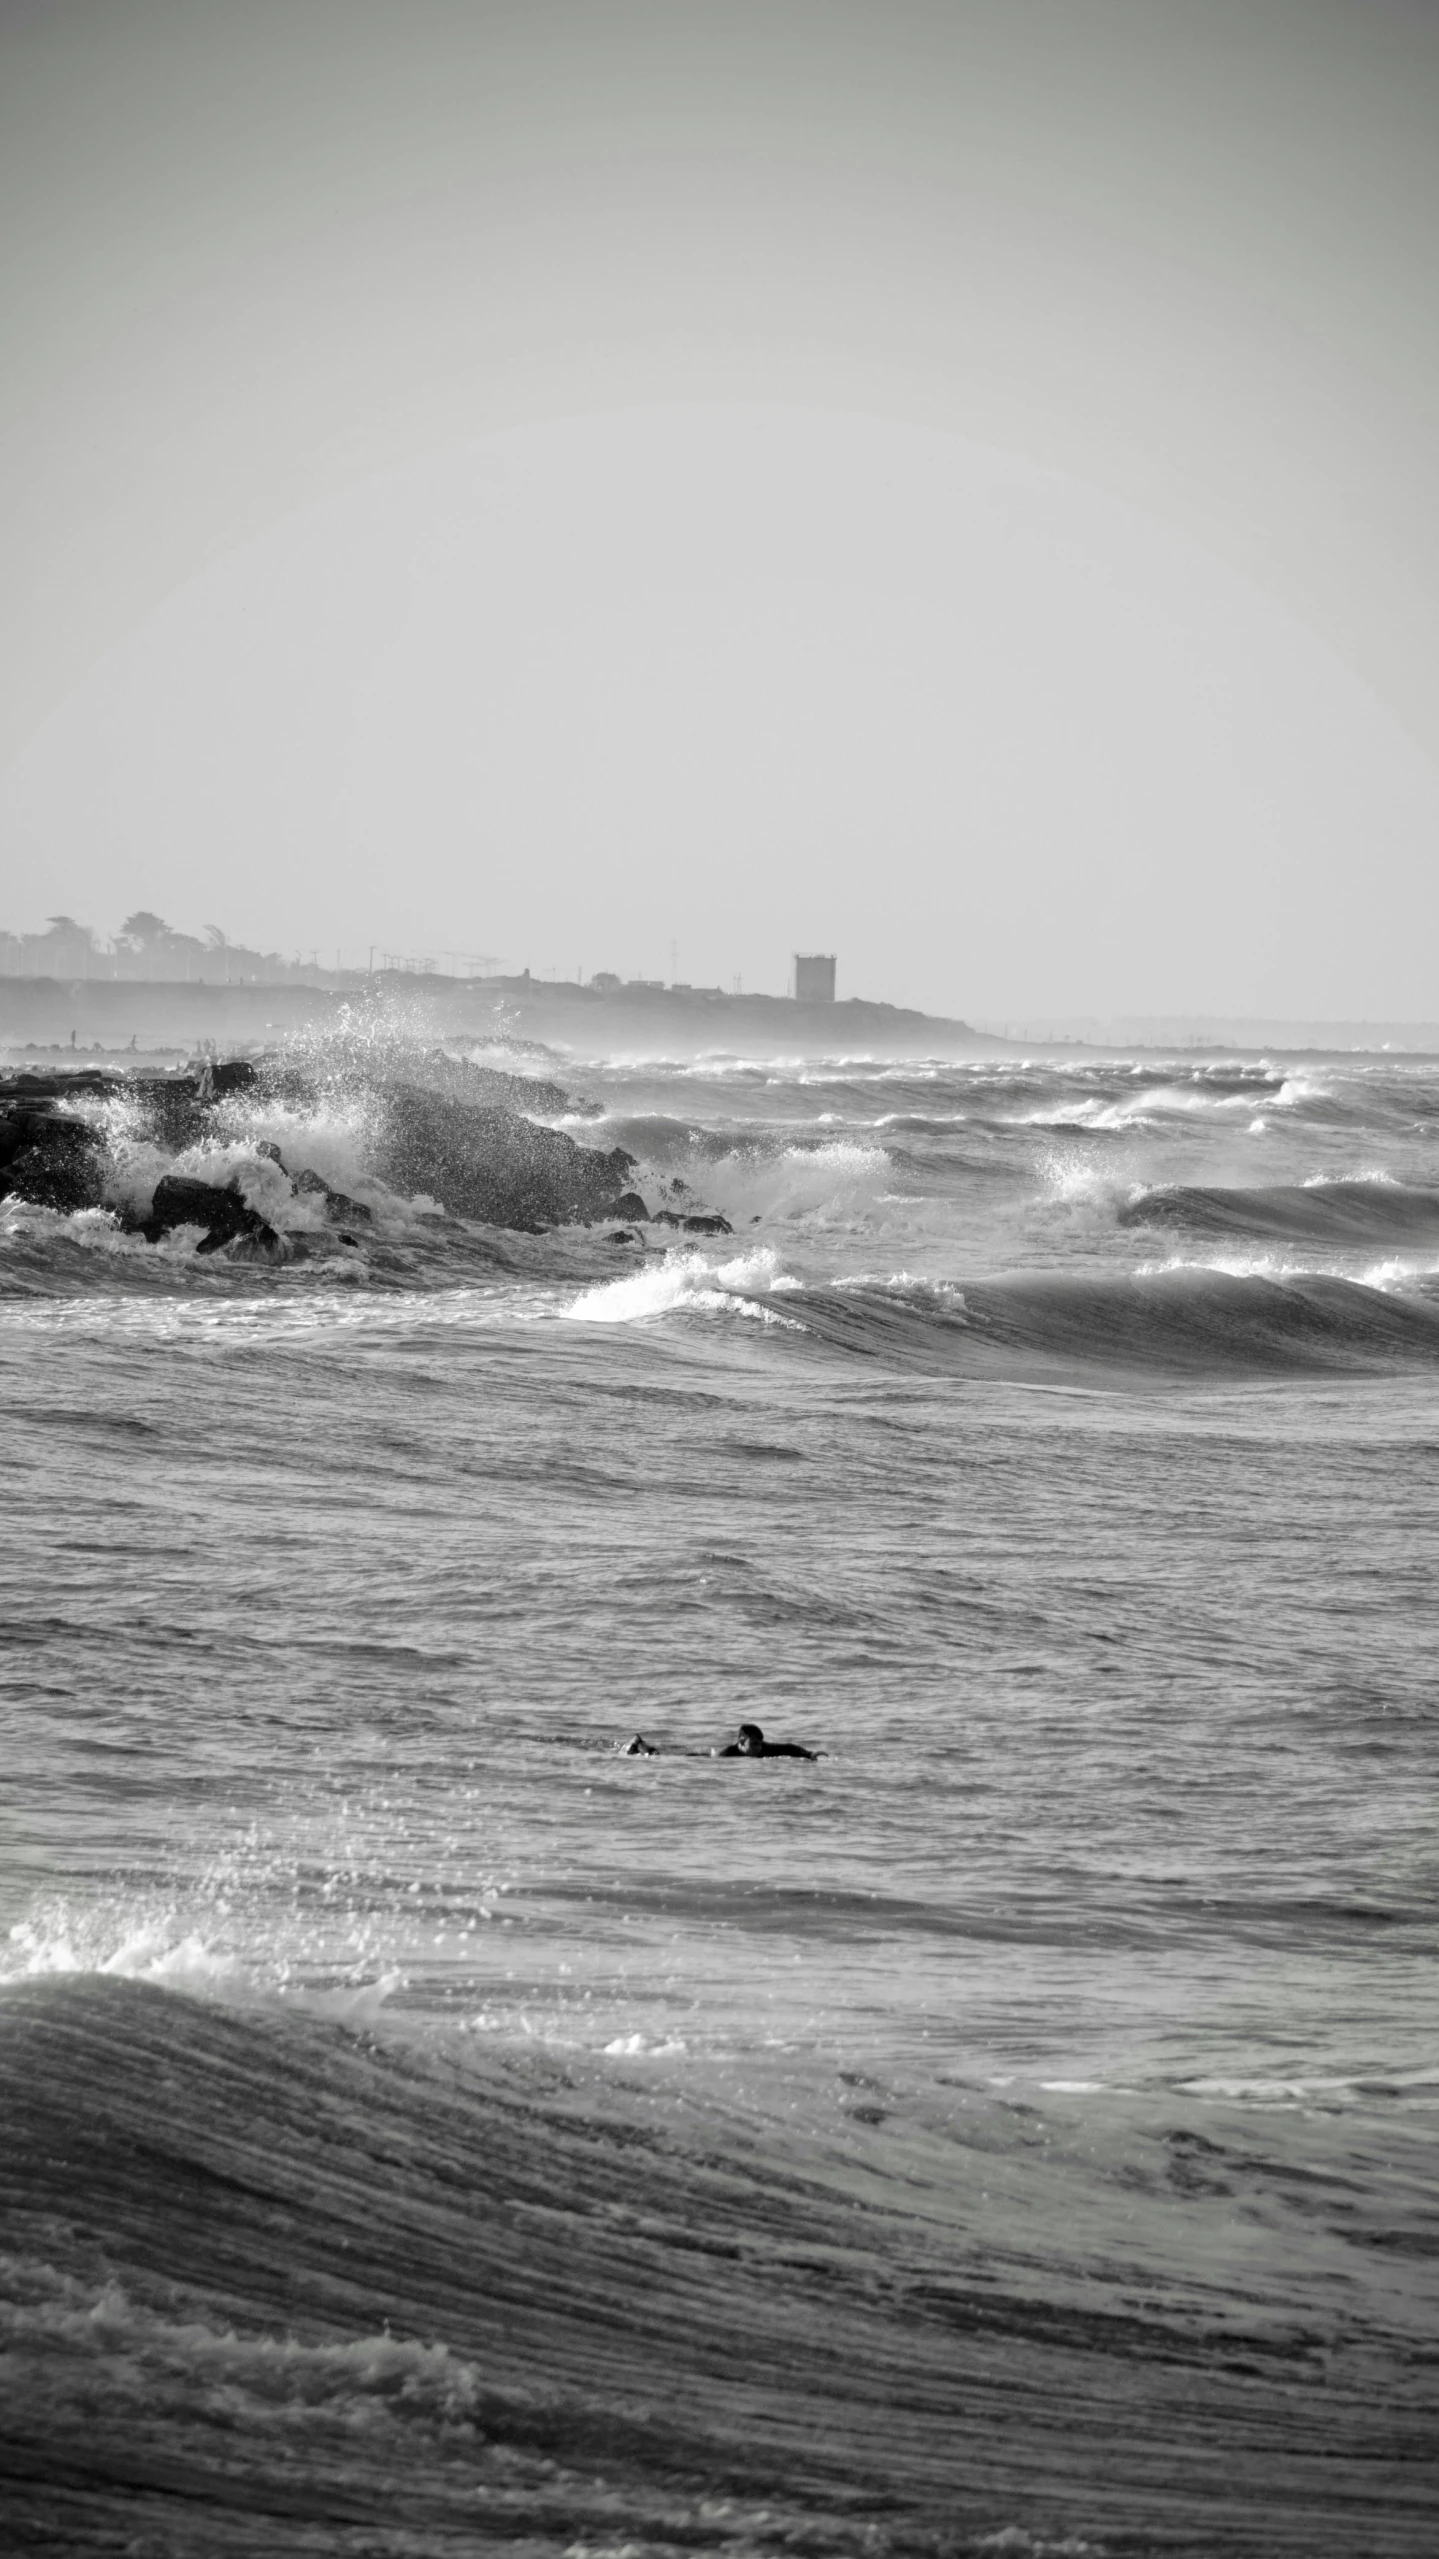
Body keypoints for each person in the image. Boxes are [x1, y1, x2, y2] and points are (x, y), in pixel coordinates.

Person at [715, 1720, 821, 1760]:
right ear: (742, 1741)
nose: (758, 1748)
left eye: (759, 1744)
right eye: (754, 1744)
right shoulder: (728, 1753)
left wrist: (809, 1754)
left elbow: (788, 1748)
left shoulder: (765, 1748)